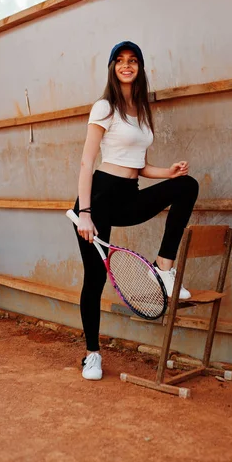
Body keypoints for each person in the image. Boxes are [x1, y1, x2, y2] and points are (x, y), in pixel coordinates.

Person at [73, 41, 199, 381]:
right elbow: (87, 162)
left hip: (129, 195)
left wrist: (168, 173)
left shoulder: (141, 111)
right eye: (120, 61)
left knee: (187, 186)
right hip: (98, 199)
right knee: (95, 279)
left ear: (140, 67)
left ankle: (162, 269)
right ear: (113, 68)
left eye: (133, 61)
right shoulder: (104, 107)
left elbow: (138, 167)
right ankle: (92, 355)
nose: (126, 66)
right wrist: (84, 212)